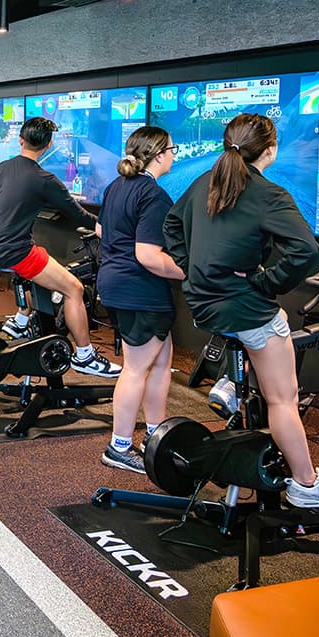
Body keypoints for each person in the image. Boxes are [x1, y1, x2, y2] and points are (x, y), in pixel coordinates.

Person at [163, 112, 319, 510]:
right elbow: (308, 250)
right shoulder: (269, 194)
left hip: (202, 305)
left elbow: (171, 224)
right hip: (242, 308)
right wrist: (267, 282)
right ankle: (306, 484)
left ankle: (232, 384)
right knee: (283, 398)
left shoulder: (204, 183)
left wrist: (192, 269)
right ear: (270, 150)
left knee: (272, 327)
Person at [0, 117, 120, 378]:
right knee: (74, 288)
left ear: (21, 139)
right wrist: (102, 227)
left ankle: (21, 320)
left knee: (43, 264)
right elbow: (79, 215)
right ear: (49, 144)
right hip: (15, 251)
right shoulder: (44, 179)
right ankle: (85, 356)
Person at [92, 126, 185, 473]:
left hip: (117, 283)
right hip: (139, 288)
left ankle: (155, 437)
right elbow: (148, 255)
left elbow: (102, 229)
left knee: (160, 364)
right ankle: (119, 447)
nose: (175, 155)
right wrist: (187, 272)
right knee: (135, 369)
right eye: (172, 149)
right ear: (159, 154)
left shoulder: (117, 186)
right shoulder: (153, 195)